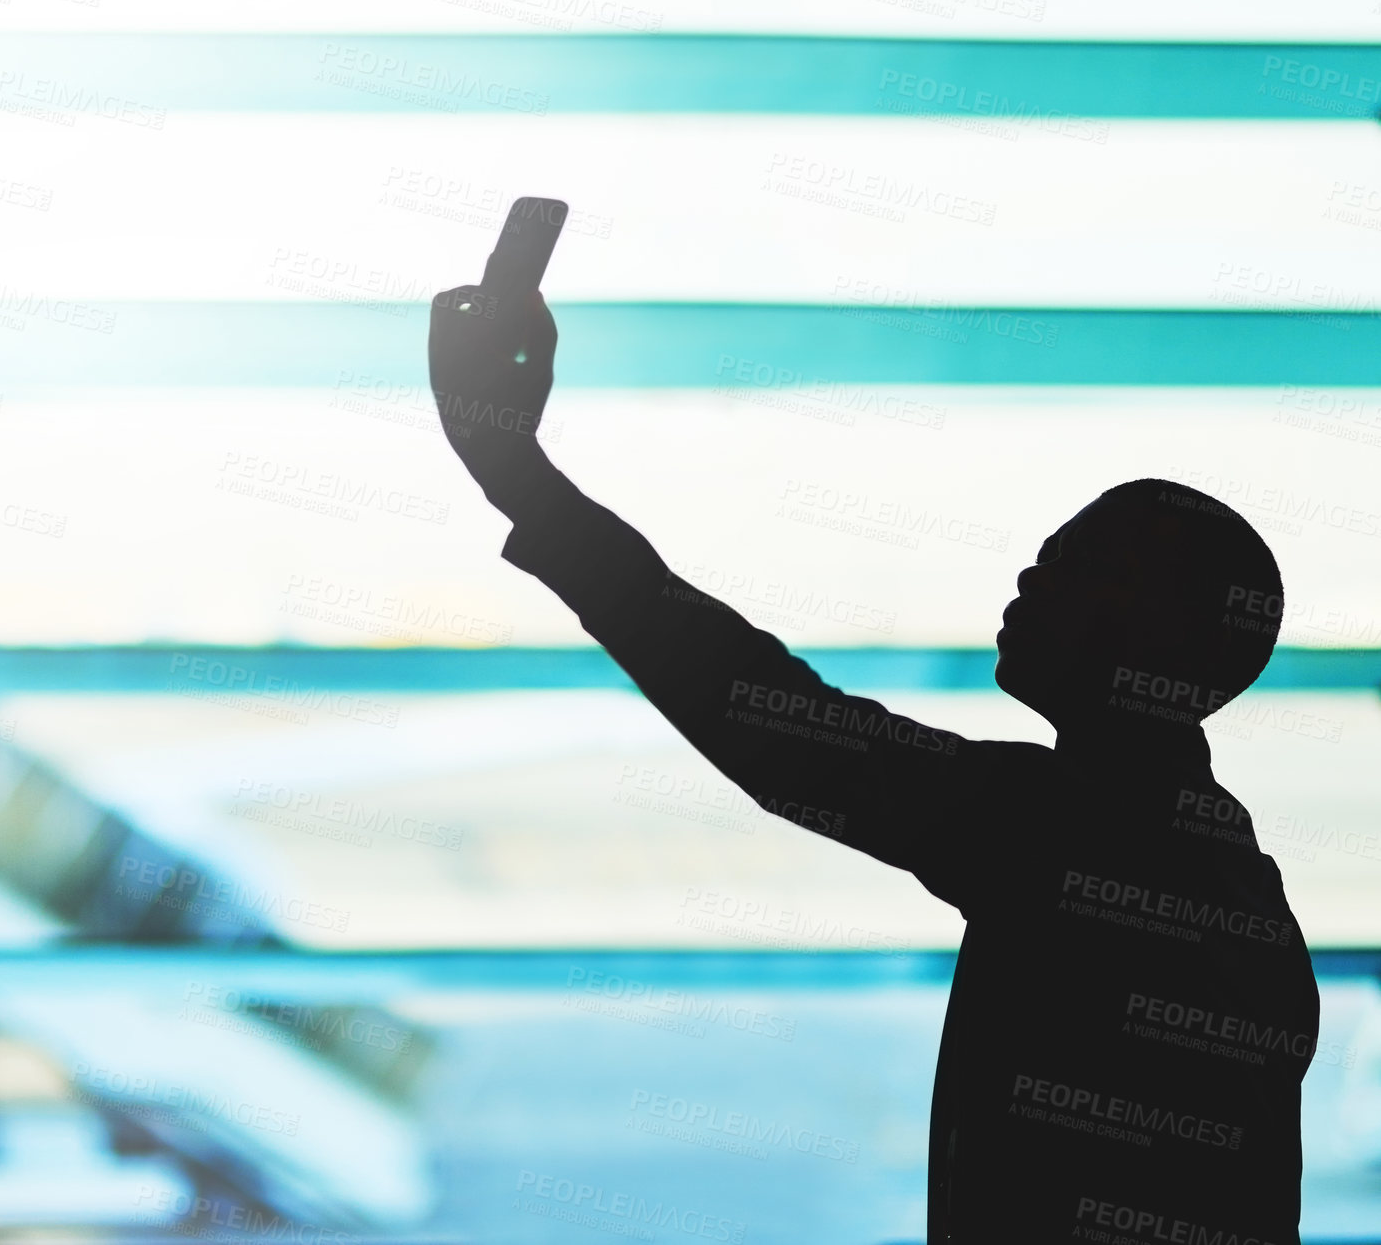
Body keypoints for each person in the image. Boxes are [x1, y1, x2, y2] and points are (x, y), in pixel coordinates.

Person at [428, 278, 1319, 1245]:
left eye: (1084, 562)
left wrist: (516, 469)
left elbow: (775, 724)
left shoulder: (1081, 833)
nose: (1033, 573)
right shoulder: (1222, 876)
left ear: (1170, 634)